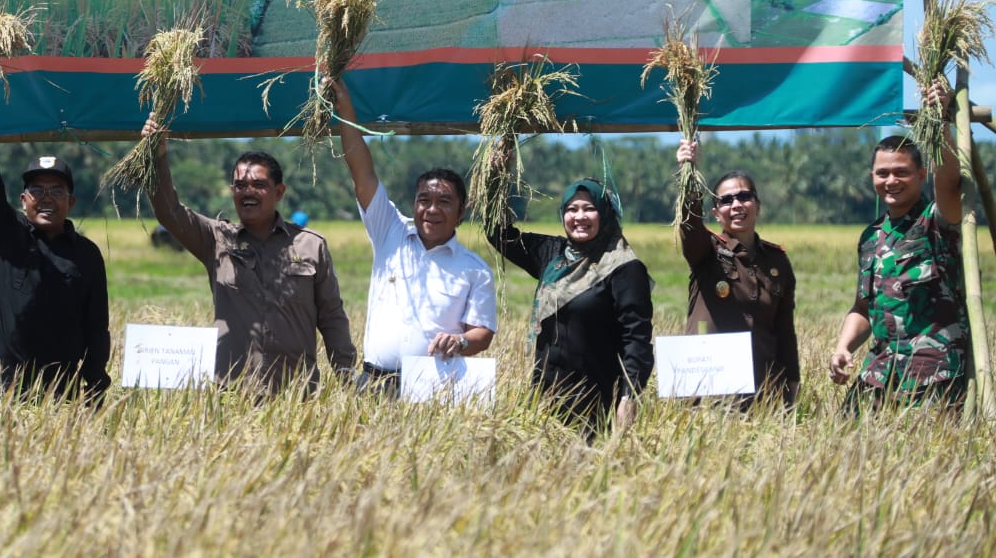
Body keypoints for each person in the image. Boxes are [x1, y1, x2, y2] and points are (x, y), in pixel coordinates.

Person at [140, 115, 357, 393]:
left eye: (259, 185)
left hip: (295, 395)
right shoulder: (216, 239)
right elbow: (169, 212)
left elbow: (331, 316)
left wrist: (346, 374)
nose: (248, 192)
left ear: (279, 192)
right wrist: (157, 155)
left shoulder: (310, 245)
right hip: (232, 394)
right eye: (240, 185)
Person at [330, 77, 498, 393]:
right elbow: (362, 174)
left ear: (461, 212)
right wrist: (346, 111)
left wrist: (460, 341)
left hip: (433, 388)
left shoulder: (475, 270)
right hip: (373, 383)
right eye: (424, 200)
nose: (432, 209)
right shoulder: (389, 231)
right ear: (414, 205)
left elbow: (482, 333)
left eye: (444, 202)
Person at [0, 77, 110, 401]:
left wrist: (95, 385)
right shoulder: (7, 234)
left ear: (71, 202)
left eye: (56, 191)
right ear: (24, 200)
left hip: (59, 390)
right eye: (37, 190)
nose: (46, 198)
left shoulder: (86, 255)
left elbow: (97, 326)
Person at [829, 82, 968, 408]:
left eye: (901, 172)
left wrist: (941, 120)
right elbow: (863, 308)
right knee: (846, 432)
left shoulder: (938, 221)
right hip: (881, 370)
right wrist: (843, 347)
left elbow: (950, 182)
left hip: (933, 371)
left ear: (921, 174)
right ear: (872, 177)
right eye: (883, 173)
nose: (891, 181)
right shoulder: (871, 237)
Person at [488, 178, 653, 436]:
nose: (579, 216)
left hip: (596, 401)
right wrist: (499, 173)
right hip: (545, 400)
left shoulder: (623, 267)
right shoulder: (553, 254)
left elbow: (637, 340)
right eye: (571, 209)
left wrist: (629, 396)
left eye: (589, 208)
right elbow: (497, 233)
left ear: (605, 212)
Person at [676, 140, 799, 406]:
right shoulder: (706, 251)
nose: (736, 205)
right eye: (726, 200)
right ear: (716, 213)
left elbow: (785, 330)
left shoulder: (777, 260)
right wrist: (689, 174)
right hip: (710, 393)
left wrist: (792, 383)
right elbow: (690, 227)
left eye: (744, 197)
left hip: (763, 390)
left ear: (758, 205)